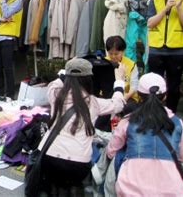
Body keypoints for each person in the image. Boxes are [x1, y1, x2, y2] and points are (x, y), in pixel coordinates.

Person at [39, 58, 125, 195]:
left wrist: (69, 67)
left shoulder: (54, 93)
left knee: (54, 185)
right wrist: (119, 80)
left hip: (49, 159)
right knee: (73, 183)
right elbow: (118, 103)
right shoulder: (93, 103)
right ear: (88, 79)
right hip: (78, 165)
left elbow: (56, 81)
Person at [106, 73, 183, 196]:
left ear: (139, 97)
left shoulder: (128, 121)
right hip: (172, 191)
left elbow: (111, 152)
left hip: (130, 189)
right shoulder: (177, 123)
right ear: (165, 96)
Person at [147, 0, 183, 113]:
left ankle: (170, 114)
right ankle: (155, 114)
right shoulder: (155, 1)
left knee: (173, 87)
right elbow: (150, 23)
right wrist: (166, 8)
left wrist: (178, 8)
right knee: (154, 86)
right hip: (156, 49)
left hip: (177, 51)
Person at [105, 35, 139, 101]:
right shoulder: (103, 63)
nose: (113, 56)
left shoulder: (131, 64)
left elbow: (134, 86)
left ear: (123, 51)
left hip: (127, 96)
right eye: (110, 53)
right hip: (108, 96)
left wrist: (126, 97)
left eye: (116, 54)